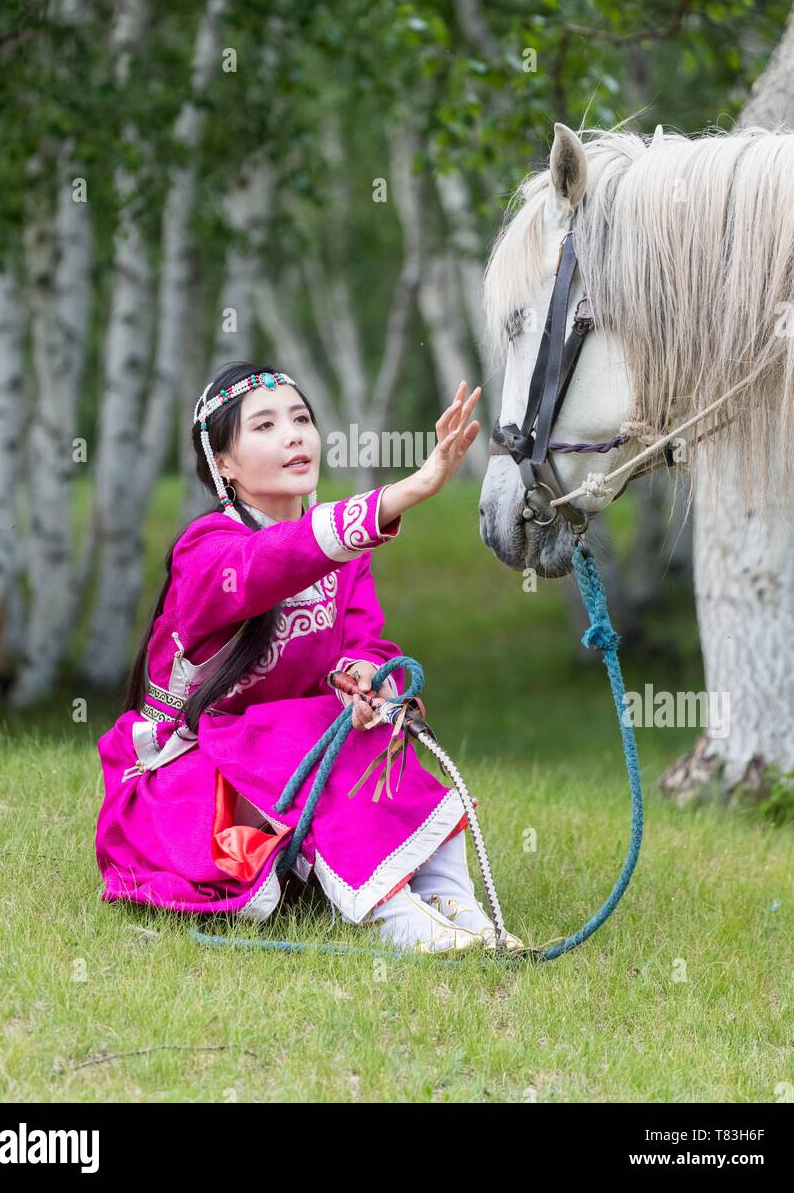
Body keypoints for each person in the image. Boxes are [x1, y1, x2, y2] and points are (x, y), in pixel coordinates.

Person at [95, 361, 524, 956]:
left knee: (382, 718)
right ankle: (386, 909)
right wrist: (409, 489)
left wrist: (365, 677)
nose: (294, 435)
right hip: (189, 784)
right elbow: (271, 562)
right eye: (265, 426)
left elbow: (363, 640)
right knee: (309, 724)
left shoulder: (343, 551)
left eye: (301, 419)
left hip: (274, 762)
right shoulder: (206, 550)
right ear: (224, 463)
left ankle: (450, 894)